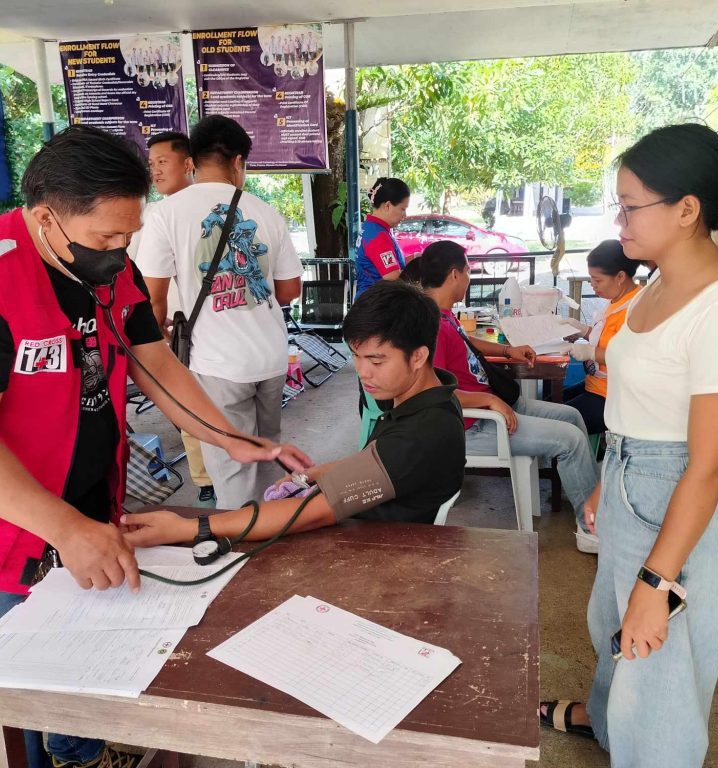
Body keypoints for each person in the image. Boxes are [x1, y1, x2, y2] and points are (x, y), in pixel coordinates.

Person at [0, 125, 310, 768]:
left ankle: (81, 751)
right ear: (47, 216)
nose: (120, 250)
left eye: (128, 235)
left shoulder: (106, 265)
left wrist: (230, 437)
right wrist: (67, 531)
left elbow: (152, 360)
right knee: (12, 688)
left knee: (77, 651)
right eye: (106, 236)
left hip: (76, 499)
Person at [540, 124, 718, 768]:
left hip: (682, 502)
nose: (619, 220)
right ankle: (606, 720)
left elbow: (706, 464)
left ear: (685, 210)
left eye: (630, 206)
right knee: (615, 628)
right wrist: (605, 480)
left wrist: (658, 577)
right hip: (630, 479)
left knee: (660, 673)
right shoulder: (657, 281)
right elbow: (642, 402)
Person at [120, 280, 466, 546]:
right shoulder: (433, 398)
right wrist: (312, 474)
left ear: (418, 356)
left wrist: (189, 528)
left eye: (376, 360)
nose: (363, 372)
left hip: (377, 548)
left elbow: (309, 514)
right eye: (356, 357)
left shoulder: (422, 433)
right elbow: (377, 461)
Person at [136, 115, 303, 509]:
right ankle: (269, 523)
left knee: (230, 466)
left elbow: (152, 299)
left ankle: (241, 543)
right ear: (238, 162)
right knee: (268, 451)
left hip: (216, 364)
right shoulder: (266, 211)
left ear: (191, 160)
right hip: (272, 357)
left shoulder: (164, 214)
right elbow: (289, 291)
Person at [405, 240, 599, 552]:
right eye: (468, 272)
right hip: (474, 426)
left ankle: (589, 504)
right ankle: (592, 529)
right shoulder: (429, 324)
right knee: (571, 440)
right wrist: (488, 401)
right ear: (454, 274)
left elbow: (467, 342)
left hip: (495, 408)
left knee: (572, 417)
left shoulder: (442, 314)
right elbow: (433, 392)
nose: (469, 278)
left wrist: (508, 350)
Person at [130, 130, 216, 506]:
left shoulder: (208, 209)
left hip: (204, 324)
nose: (156, 171)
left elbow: (153, 294)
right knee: (190, 403)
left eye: (162, 162)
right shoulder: (148, 215)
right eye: (151, 165)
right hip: (179, 329)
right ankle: (206, 479)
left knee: (207, 403)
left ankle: (223, 477)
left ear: (188, 163)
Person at [563, 240, 642, 435]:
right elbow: (608, 336)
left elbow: (629, 357)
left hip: (614, 397)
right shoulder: (618, 301)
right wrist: (582, 330)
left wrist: (590, 352)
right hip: (596, 385)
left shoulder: (635, 309)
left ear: (620, 277)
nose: (593, 286)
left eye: (597, 281)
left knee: (556, 420)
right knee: (549, 401)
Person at [354, 177, 410, 300]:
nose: (404, 215)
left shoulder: (371, 228)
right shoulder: (378, 237)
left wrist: (415, 259)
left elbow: (386, 264)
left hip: (369, 302)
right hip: (376, 307)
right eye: (402, 209)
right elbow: (393, 279)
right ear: (388, 206)